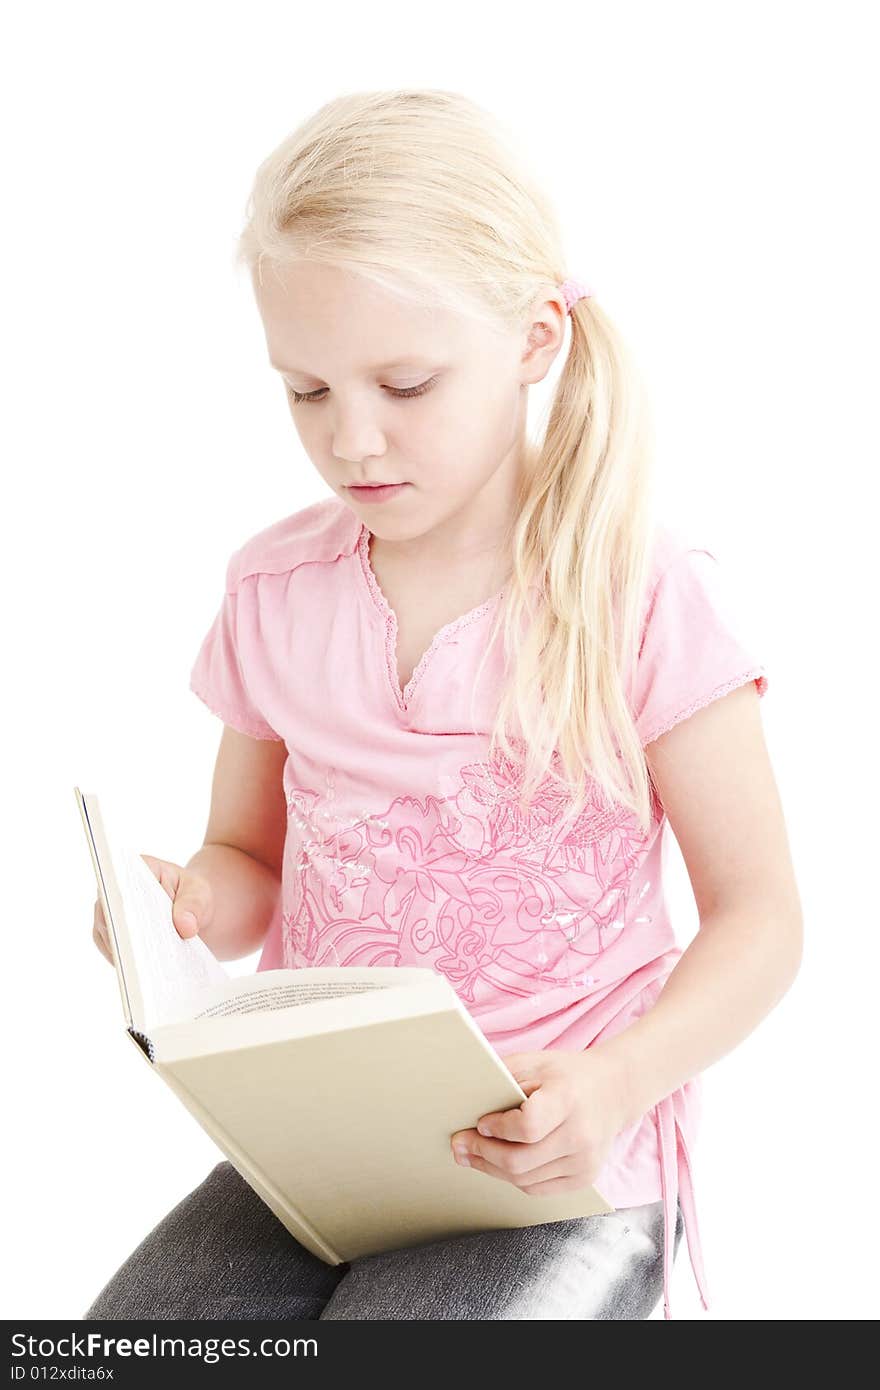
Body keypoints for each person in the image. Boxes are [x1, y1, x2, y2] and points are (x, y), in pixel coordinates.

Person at [86, 88, 803, 1322]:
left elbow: (762, 921)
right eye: (305, 391)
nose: (351, 440)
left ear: (533, 339)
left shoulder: (638, 594)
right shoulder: (276, 589)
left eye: (405, 383)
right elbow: (249, 856)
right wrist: (190, 907)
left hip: (564, 1166)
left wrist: (618, 1080)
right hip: (324, 1148)